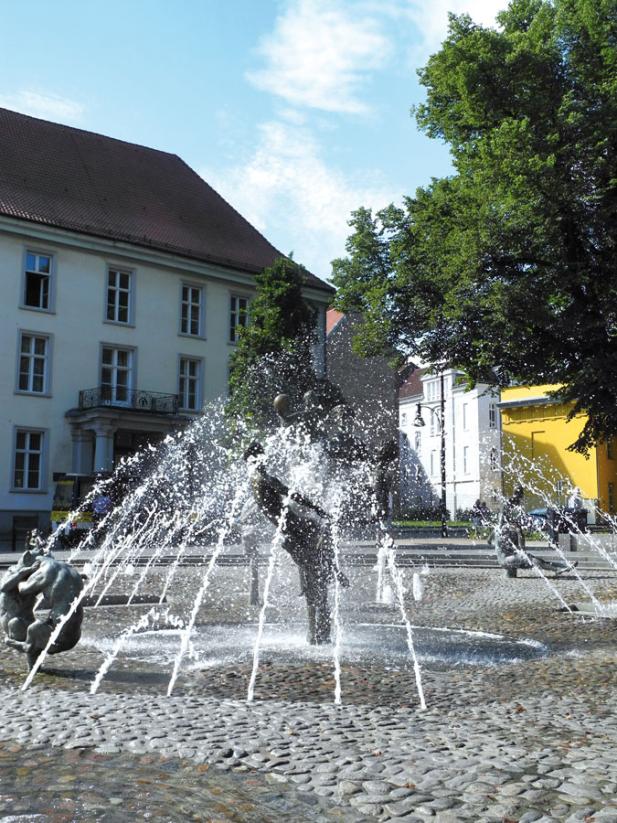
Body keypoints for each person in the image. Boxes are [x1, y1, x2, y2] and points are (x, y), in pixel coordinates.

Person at [243, 441, 349, 644]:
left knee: (314, 577)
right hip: (296, 529)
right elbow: (291, 492)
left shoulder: (253, 479)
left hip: (290, 532)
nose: (266, 459)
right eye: (263, 456)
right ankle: (319, 631)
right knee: (317, 573)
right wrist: (316, 507)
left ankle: (316, 632)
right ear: (257, 458)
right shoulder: (263, 477)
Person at [490, 486, 578, 578]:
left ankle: (563, 566)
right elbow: (520, 544)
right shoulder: (506, 527)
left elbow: (491, 539)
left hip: (509, 558)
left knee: (537, 560)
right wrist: (520, 544)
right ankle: (558, 569)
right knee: (530, 558)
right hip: (506, 560)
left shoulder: (499, 528)